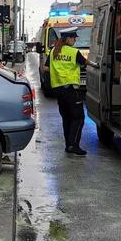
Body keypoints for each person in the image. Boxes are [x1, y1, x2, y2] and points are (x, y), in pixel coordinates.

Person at [44, 27, 88, 156]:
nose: (74, 40)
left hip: (58, 91)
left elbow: (45, 68)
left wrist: (57, 71)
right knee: (79, 118)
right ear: (68, 39)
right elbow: (85, 63)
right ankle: (73, 145)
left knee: (67, 118)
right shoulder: (74, 52)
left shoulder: (53, 51)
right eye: (74, 38)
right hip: (72, 90)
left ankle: (68, 144)